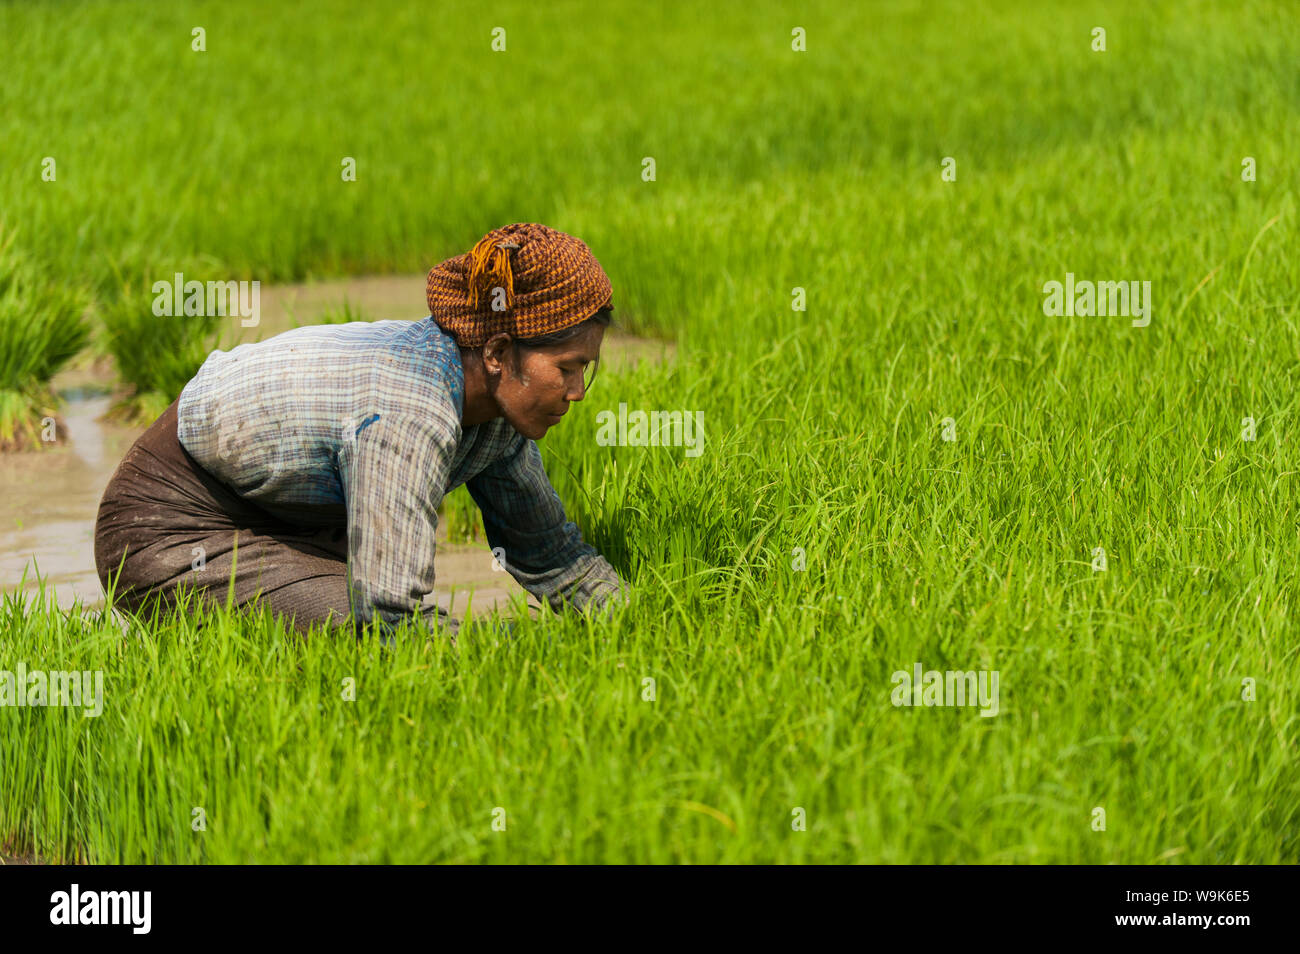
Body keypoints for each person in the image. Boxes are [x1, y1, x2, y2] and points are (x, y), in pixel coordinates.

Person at [93, 222, 627, 640]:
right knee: (372, 637)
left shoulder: (496, 416)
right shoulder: (408, 412)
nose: (577, 391)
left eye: (587, 369)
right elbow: (391, 617)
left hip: (282, 520)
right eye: (568, 368)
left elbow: (551, 555)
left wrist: (638, 621)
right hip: (171, 533)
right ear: (498, 353)